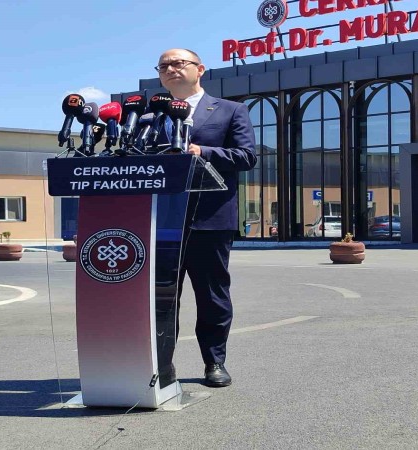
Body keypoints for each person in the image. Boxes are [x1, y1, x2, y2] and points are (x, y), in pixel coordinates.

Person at [156, 48, 257, 387]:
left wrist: (203, 152)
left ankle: (214, 362)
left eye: (178, 63)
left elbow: (246, 156)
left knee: (212, 296)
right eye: (164, 66)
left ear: (199, 70)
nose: (171, 69)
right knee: (160, 298)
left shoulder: (231, 111)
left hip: (210, 220)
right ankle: (160, 365)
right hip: (160, 221)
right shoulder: (149, 115)